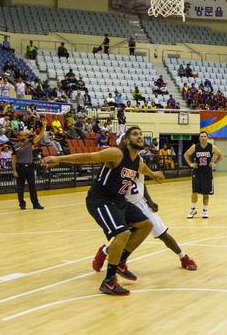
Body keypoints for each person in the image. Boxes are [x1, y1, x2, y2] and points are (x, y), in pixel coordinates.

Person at [41, 126, 162, 296]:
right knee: (123, 233)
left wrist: (153, 174)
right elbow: (90, 156)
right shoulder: (117, 153)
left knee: (146, 225)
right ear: (126, 140)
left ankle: (120, 260)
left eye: (141, 134)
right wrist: (59, 159)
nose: (140, 136)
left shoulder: (138, 161)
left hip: (118, 201)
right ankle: (109, 281)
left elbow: (143, 169)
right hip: (101, 200)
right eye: (135, 134)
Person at [90, 133, 197, 272]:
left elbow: (142, 182)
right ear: (125, 142)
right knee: (124, 236)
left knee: (162, 233)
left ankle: (183, 257)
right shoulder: (117, 159)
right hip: (123, 203)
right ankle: (115, 260)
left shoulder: (137, 160)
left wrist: (149, 199)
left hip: (140, 203)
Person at [184, 131, 222, 219]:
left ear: (207, 137)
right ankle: (193, 209)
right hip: (197, 172)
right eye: (201, 136)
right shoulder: (195, 147)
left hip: (207, 172)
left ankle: (205, 210)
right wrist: (190, 164)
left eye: (205, 136)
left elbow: (220, 155)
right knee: (194, 191)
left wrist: (215, 163)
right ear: (199, 138)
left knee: (206, 193)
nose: (203, 138)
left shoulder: (212, 147)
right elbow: (186, 154)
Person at [11, 127, 45, 210]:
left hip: (29, 167)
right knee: (20, 187)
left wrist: (43, 127)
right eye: (21, 135)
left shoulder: (30, 143)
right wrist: (14, 171)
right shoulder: (15, 147)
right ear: (18, 137)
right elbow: (13, 160)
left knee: (32, 187)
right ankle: (22, 204)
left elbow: (39, 136)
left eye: (24, 135)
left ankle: (35, 204)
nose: (23, 137)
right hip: (20, 167)